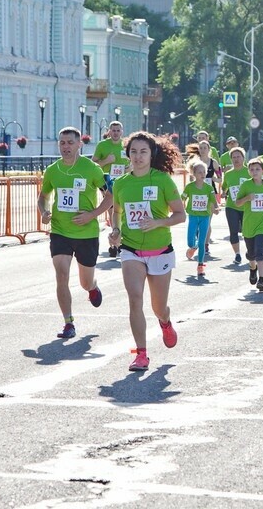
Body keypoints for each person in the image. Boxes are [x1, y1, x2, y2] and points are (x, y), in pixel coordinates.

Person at [108, 132, 185, 371]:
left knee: (158, 306)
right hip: (131, 249)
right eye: (133, 152)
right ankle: (141, 353)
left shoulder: (162, 180)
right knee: (134, 300)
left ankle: (165, 321)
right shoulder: (121, 183)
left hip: (160, 249)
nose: (138, 156)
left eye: (143, 152)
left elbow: (180, 215)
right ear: (127, 155)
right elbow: (117, 211)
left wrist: (158, 223)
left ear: (152, 154)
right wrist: (116, 230)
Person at [38, 127, 112, 339]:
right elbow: (43, 197)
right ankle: (68, 323)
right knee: (61, 276)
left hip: (86, 233)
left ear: (80, 144)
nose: (65, 147)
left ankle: (93, 287)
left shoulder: (92, 169)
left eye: (70, 142)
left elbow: (110, 197)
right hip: (60, 231)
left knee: (84, 282)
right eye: (62, 143)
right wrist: (44, 211)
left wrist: (92, 215)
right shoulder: (53, 170)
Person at [235, 157, 263, 292]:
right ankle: (253, 268)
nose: (255, 171)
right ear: (249, 171)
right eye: (252, 169)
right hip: (248, 225)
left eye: (258, 169)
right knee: (251, 254)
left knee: (260, 252)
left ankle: (262, 280)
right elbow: (237, 203)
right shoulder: (246, 185)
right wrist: (247, 198)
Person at [92, 121, 130, 257]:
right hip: (107, 182)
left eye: (118, 130)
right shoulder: (102, 145)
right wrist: (106, 161)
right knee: (114, 211)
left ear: (122, 132)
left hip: (125, 182)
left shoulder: (126, 145)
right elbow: (93, 164)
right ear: (109, 131)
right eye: (113, 130)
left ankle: (119, 240)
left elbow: (133, 161)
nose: (115, 133)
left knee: (123, 211)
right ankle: (114, 243)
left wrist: (130, 168)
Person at [182, 159, 218, 277]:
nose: (202, 174)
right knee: (190, 241)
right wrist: (179, 206)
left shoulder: (209, 188)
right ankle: (193, 246)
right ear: (194, 174)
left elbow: (213, 200)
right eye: (199, 172)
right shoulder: (189, 187)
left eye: (204, 172)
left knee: (203, 242)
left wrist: (216, 208)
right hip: (193, 216)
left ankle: (201, 265)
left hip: (205, 217)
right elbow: (183, 197)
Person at [221, 146, 249, 263]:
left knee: (247, 231)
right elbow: (224, 187)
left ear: (243, 158)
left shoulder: (249, 171)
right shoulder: (228, 174)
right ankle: (237, 254)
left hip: (246, 207)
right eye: (233, 157)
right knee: (233, 231)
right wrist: (223, 193)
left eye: (238, 157)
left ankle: (250, 251)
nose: (236, 159)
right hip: (231, 206)